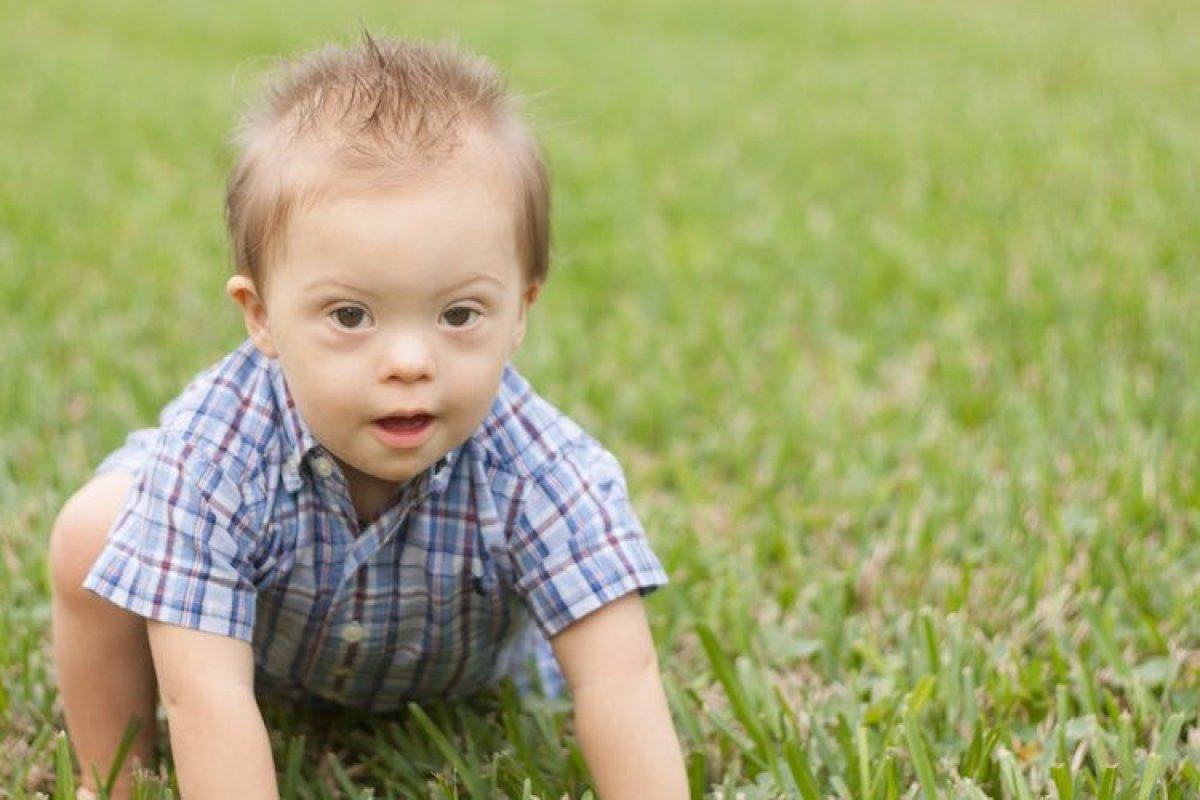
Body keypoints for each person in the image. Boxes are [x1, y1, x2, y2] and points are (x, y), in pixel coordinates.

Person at [49, 33, 687, 800]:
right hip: (258, 654)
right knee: (92, 531)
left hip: (451, 676)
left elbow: (621, 679)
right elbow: (207, 696)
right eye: (351, 315)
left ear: (521, 309)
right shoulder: (214, 457)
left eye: (459, 314)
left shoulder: (545, 470)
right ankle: (108, 779)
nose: (409, 361)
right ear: (261, 317)